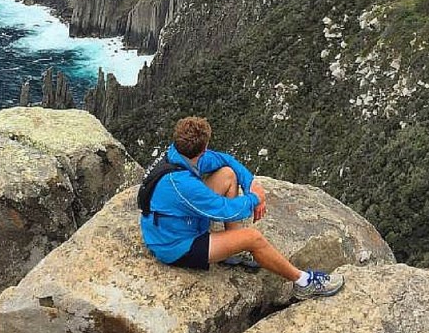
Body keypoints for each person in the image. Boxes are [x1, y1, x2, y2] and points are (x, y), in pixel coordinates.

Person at [139, 116, 344, 301]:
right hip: (176, 245)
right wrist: (255, 199)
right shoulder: (181, 183)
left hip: (174, 224)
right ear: (202, 150)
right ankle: (303, 283)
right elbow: (226, 210)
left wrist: (251, 183)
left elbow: (226, 160)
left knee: (228, 174)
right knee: (253, 239)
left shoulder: (178, 153)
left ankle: (231, 249)